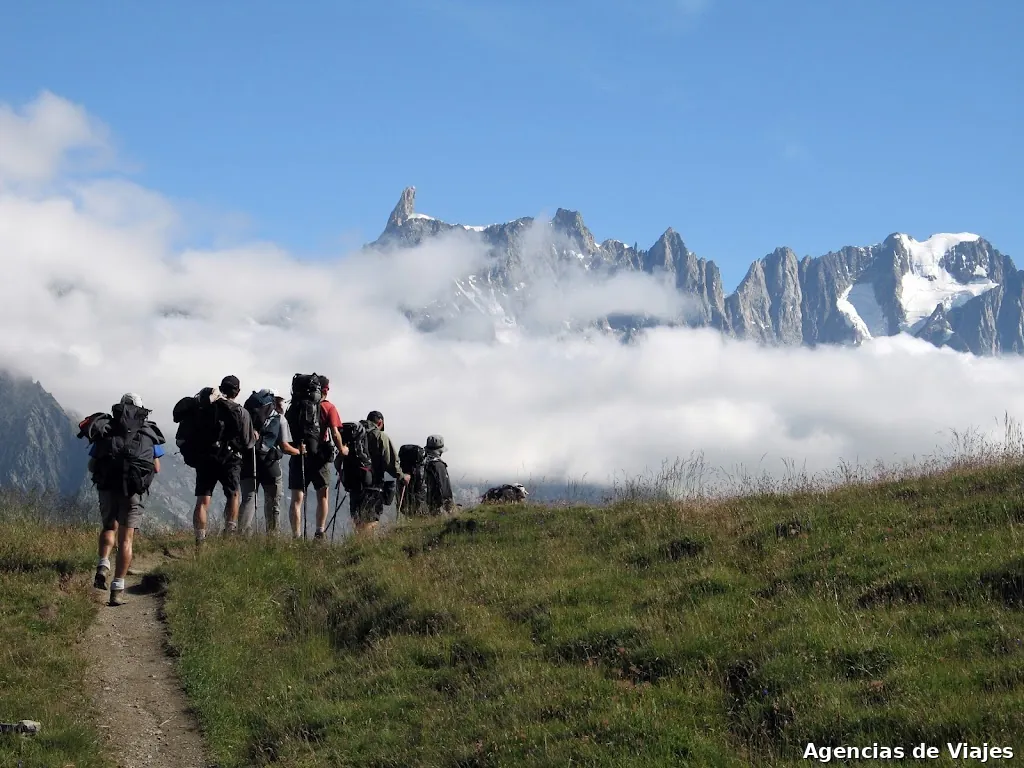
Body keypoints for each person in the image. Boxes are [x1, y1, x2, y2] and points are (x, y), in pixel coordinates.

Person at [88, 393, 166, 607]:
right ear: (141, 409)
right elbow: (156, 467)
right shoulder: (148, 431)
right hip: (132, 490)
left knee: (108, 527)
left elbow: (92, 464)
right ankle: (118, 589)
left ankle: (103, 566)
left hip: (108, 488)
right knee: (126, 540)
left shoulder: (106, 427)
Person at [192, 375, 257, 546]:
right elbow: (248, 443)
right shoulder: (241, 412)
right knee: (233, 495)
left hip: (207, 458)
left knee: (203, 500)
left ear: (221, 389)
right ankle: (229, 534)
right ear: (238, 392)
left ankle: (200, 540)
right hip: (231, 459)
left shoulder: (207, 408)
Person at [288, 375, 346, 540]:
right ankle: (320, 533)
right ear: (325, 389)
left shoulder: (296, 406)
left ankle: (296, 536)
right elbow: (334, 432)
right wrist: (342, 449)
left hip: (298, 453)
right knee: (323, 495)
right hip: (319, 457)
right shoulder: (329, 408)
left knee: (297, 498)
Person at [239, 389, 300, 536]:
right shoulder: (280, 419)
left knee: (248, 498)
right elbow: (285, 447)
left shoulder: (246, 415)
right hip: (269, 464)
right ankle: (272, 536)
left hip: (248, 461)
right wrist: (299, 451)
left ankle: (241, 535)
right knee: (272, 501)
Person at [351, 411, 408, 536]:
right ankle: (365, 550)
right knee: (370, 520)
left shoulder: (354, 434)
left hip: (353, 483)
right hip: (373, 485)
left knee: (358, 520)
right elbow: (390, 463)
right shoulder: (380, 436)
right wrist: (403, 477)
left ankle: (357, 546)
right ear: (380, 422)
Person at [423, 434, 456, 515]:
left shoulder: (423, 462)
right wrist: (450, 507)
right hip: (438, 507)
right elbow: (445, 489)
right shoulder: (439, 465)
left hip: (425, 504)